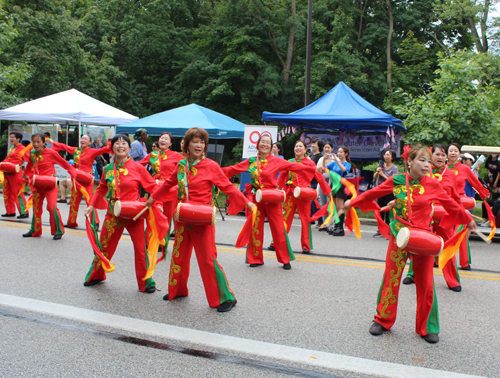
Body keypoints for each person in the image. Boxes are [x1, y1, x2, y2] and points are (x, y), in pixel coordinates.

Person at [344, 145, 474, 344]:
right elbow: (374, 193)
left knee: (425, 281)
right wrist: (352, 202)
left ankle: (428, 326)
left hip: (423, 237)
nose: (426, 164)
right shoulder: (396, 180)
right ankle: (383, 319)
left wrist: (467, 218)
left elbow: (451, 204)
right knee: (391, 276)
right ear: (409, 161)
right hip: (399, 234)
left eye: (429, 161)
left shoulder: (433, 184)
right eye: (422, 160)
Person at [145, 128, 256, 312]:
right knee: (179, 256)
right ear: (187, 144)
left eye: (202, 142)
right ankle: (177, 290)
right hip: (182, 216)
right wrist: (152, 199)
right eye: (195, 141)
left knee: (207, 259)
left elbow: (228, 186)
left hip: (202, 218)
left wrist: (246, 203)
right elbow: (169, 184)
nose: (199, 145)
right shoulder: (181, 165)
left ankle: (226, 297)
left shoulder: (211, 165)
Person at [222, 134, 312, 270]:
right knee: (255, 229)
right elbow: (232, 169)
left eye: (268, 143)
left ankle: (285, 258)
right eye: (262, 142)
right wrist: (212, 172)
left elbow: (296, 167)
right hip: (256, 199)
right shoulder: (251, 161)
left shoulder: (276, 161)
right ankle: (256, 259)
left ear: (271, 147)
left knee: (279, 229)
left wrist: (313, 169)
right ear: (257, 145)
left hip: (272, 199)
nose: (265, 144)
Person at [83, 134, 159, 293]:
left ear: (130, 148)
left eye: (124, 143)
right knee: (104, 246)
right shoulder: (108, 169)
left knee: (139, 249)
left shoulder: (138, 168)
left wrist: (150, 202)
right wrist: (91, 205)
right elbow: (102, 188)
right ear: (112, 149)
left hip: (134, 214)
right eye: (117, 143)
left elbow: (153, 188)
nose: (120, 146)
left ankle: (146, 282)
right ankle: (96, 275)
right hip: (113, 214)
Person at [403, 144, 465, 292]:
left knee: (448, 247)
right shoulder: (424, 171)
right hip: (425, 217)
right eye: (437, 154)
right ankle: (412, 274)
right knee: (419, 246)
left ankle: (453, 280)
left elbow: (455, 198)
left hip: (445, 218)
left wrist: (460, 213)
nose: (441, 157)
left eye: (443, 155)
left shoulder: (450, 174)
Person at [272, 140, 331, 254]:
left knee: (305, 220)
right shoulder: (289, 162)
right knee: (284, 220)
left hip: (303, 195)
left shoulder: (310, 163)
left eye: (300, 146)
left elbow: (320, 178)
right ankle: (276, 243)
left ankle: (306, 246)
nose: (297, 148)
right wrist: (276, 189)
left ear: (305, 150)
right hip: (290, 194)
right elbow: (282, 176)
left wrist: (327, 192)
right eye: (296, 146)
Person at [49, 135, 110, 228]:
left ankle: (95, 222)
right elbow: (64, 146)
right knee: (74, 201)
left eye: (85, 139)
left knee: (89, 201)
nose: (83, 140)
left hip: (87, 180)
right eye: (82, 138)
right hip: (76, 179)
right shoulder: (75, 151)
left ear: (90, 142)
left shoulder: (92, 151)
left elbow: (104, 149)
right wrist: (53, 142)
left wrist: (115, 144)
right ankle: (71, 222)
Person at [23, 133, 76, 240]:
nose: (36, 144)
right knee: (36, 208)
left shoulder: (51, 153)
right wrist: (27, 176)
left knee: (51, 207)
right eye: (34, 142)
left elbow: (64, 163)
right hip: (37, 183)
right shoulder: (32, 153)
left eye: (38, 142)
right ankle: (35, 230)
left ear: (44, 143)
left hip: (50, 183)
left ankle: (58, 230)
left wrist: (73, 173)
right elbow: (29, 166)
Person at [447, 143, 490, 270]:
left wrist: (484, 194)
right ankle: (438, 259)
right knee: (444, 232)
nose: (453, 153)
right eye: (451, 151)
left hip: (460, 204)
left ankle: (464, 262)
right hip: (446, 204)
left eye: (456, 151)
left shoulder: (465, 169)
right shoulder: (443, 169)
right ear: (447, 154)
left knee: (461, 232)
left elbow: (475, 183)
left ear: (459, 154)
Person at [139, 132, 184, 235]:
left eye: (166, 139)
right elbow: (138, 166)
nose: (163, 140)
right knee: (154, 215)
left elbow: (187, 168)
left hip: (170, 190)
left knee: (166, 218)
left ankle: (162, 243)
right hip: (155, 189)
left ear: (170, 143)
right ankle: (150, 242)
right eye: (161, 138)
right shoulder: (153, 155)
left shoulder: (176, 155)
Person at [1, 132, 30, 219]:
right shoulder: (11, 147)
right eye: (10, 137)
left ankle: (24, 212)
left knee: (17, 192)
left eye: (12, 137)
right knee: (7, 192)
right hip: (7, 171)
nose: (10, 139)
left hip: (16, 173)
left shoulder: (23, 149)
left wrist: (28, 173)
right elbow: (7, 158)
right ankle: (10, 211)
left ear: (18, 139)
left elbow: (29, 160)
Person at [323, 146, 351, 236]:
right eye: (338, 152)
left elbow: (344, 170)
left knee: (340, 207)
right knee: (334, 207)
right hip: (333, 185)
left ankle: (340, 228)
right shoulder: (334, 163)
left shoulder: (347, 164)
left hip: (341, 185)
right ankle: (336, 226)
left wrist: (337, 160)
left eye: (341, 152)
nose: (339, 154)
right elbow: (324, 169)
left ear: (346, 154)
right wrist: (324, 159)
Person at [372, 150, 398, 237]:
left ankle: (388, 229)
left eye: (388, 155)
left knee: (388, 210)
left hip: (389, 191)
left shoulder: (394, 168)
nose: (386, 156)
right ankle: (380, 230)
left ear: (392, 157)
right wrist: (377, 172)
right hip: (380, 191)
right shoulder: (381, 166)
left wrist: (382, 174)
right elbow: (375, 177)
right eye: (385, 155)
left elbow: (393, 181)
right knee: (380, 210)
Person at [316, 141, 334, 230]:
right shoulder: (321, 159)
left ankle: (330, 224)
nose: (326, 149)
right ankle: (324, 223)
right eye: (325, 147)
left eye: (328, 147)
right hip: (322, 181)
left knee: (329, 203)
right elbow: (318, 170)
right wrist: (323, 159)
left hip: (331, 182)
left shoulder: (335, 158)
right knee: (323, 203)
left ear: (332, 149)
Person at [309, 138, 324, 224]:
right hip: (310, 181)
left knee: (315, 202)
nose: (312, 145)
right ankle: (312, 218)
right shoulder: (311, 155)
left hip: (316, 181)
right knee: (310, 202)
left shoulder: (320, 157)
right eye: (312, 143)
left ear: (319, 146)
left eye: (315, 143)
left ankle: (320, 220)